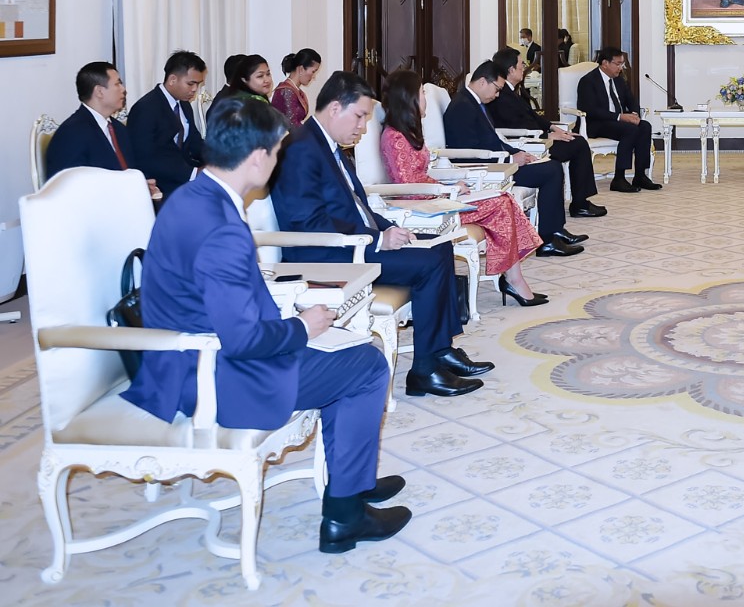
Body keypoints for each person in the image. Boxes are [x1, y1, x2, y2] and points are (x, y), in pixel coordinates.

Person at [123, 97, 410, 554]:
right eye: (277, 153)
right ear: (258, 157)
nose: (278, 163)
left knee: (350, 353)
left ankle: (351, 482)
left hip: (183, 359)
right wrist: (302, 328)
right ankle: (344, 517)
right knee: (368, 365)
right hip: (213, 375)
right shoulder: (220, 226)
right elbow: (243, 339)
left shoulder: (191, 198)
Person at [272, 70, 494, 398]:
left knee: (440, 247)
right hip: (326, 255)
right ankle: (424, 372)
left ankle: (440, 350)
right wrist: (377, 240)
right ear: (335, 108)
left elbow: (356, 206)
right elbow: (308, 224)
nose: (363, 127)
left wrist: (387, 227)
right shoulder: (301, 149)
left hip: (353, 241)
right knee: (429, 264)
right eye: (359, 116)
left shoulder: (325, 143)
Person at [380, 71, 548, 307]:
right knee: (501, 203)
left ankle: (513, 278)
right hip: (423, 207)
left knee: (504, 199)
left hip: (434, 198)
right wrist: (447, 189)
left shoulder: (406, 132)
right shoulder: (395, 137)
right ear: (409, 98)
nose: (425, 98)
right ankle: (513, 280)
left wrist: (450, 186)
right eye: (421, 93)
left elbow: (421, 176)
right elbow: (409, 185)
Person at [444, 61, 587, 250]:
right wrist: (511, 159)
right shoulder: (462, 107)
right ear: (482, 82)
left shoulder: (473, 102)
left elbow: (494, 141)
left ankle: (555, 231)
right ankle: (549, 239)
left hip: (498, 163)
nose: (497, 95)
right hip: (486, 170)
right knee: (551, 171)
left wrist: (518, 153)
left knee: (551, 166)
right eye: (497, 89)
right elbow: (467, 153)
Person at [487, 46, 606, 218]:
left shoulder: (511, 90)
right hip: (527, 144)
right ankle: (580, 204)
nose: (524, 67)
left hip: (538, 138)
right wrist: (547, 136)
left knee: (577, 141)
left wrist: (553, 127)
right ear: (511, 69)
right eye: (521, 64)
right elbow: (516, 127)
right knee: (578, 145)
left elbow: (532, 116)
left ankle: (581, 202)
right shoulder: (502, 95)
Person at [44, 62, 163, 201]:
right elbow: (70, 189)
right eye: (117, 84)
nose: (123, 89)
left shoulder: (118, 128)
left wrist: (141, 185)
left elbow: (130, 168)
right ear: (99, 91)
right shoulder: (72, 133)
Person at [576, 47, 661, 193]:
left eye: (622, 64)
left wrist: (634, 114)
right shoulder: (588, 81)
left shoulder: (619, 80)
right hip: (596, 124)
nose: (621, 68)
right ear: (605, 63)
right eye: (618, 64)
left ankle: (640, 175)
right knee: (630, 130)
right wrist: (620, 117)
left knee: (645, 126)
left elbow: (631, 100)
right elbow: (591, 110)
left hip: (616, 122)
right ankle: (619, 178)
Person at [127, 50, 207, 199]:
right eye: (191, 83)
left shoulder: (184, 104)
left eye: (198, 84)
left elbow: (194, 141)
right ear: (172, 79)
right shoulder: (145, 108)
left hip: (184, 179)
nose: (195, 89)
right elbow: (146, 157)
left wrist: (219, 160)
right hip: (159, 187)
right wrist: (193, 173)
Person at [272, 48, 322, 127]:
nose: (313, 77)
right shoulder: (286, 91)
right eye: (313, 72)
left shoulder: (295, 91)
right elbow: (291, 126)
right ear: (301, 69)